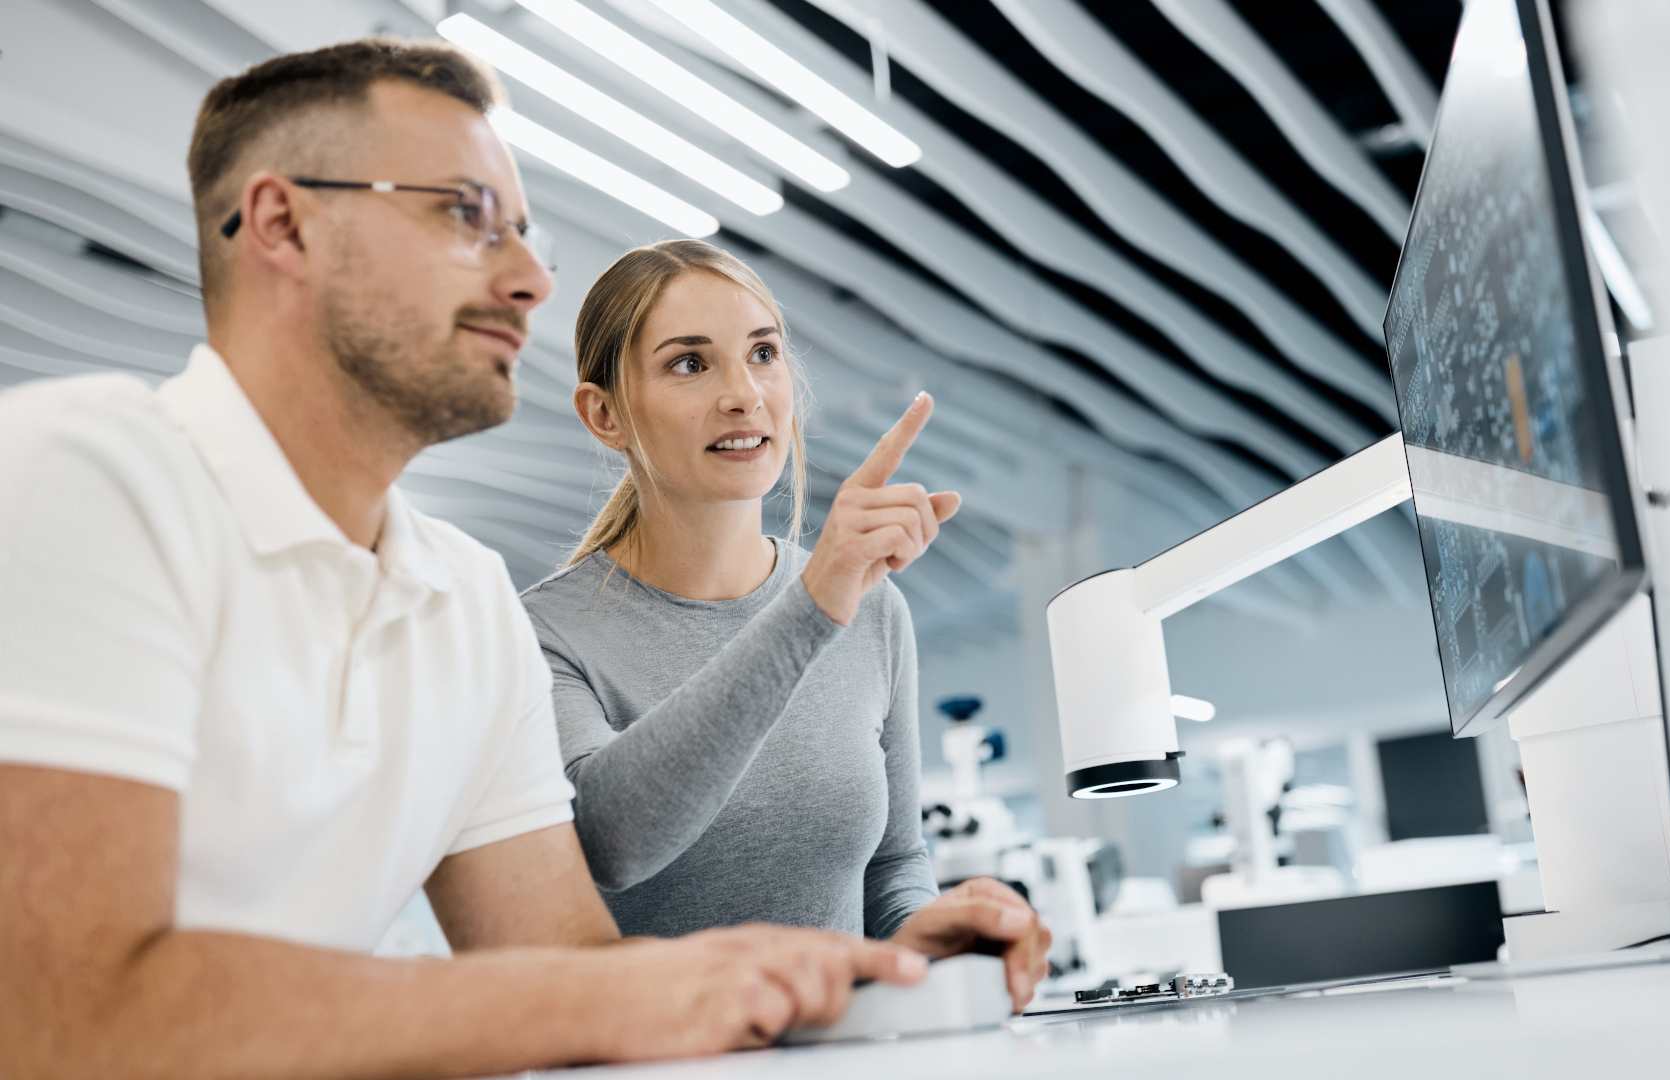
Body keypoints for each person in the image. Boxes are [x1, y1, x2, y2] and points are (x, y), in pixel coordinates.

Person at [0, 39, 929, 1080]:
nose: (529, 280)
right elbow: (59, 1017)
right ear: (285, 225)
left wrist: (859, 973)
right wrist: (628, 991)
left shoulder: (464, 601)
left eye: (523, 234)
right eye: (463, 215)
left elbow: (570, 973)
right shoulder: (84, 474)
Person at [517, 241, 1053, 1011]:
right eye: (690, 364)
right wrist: (812, 607)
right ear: (605, 414)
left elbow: (893, 868)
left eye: (762, 354)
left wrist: (932, 935)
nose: (743, 394)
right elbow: (612, 839)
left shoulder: (873, 609)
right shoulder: (544, 634)